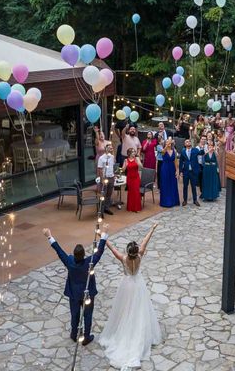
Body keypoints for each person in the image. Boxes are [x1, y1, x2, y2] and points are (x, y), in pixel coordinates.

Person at [100, 223, 162, 368]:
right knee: (140, 309)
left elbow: (111, 248)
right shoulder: (139, 257)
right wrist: (152, 228)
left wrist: (103, 236)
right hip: (138, 285)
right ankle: (138, 332)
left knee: (124, 309)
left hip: (127, 286)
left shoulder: (123, 259)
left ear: (128, 251)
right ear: (136, 251)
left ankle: (124, 330)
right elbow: (145, 241)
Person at [43, 224, 109, 345]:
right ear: (84, 254)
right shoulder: (89, 262)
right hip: (87, 294)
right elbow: (99, 252)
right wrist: (104, 233)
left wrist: (49, 236)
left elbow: (59, 251)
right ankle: (86, 336)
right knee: (87, 315)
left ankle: (74, 334)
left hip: (74, 293)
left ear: (74, 254)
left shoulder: (69, 261)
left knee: (75, 314)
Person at [179, 139, 204, 206]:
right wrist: (180, 171)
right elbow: (181, 162)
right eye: (186, 142)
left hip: (193, 172)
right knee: (185, 186)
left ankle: (195, 200)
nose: (188, 142)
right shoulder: (183, 151)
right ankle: (185, 200)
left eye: (189, 141)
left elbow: (201, 153)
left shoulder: (195, 150)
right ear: (185, 144)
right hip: (186, 171)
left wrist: (202, 147)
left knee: (193, 186)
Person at [159, 139, 180, 208]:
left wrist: (177, 171)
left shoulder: (174, 151)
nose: (169, 142)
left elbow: (175, 161)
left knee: (173, 184)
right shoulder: (163, 150)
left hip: (172, 168)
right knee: (165, 184)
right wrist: (167, 145)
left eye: (170, 142)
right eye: (167, 141)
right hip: (165, 169)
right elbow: (162, 152)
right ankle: (165, 201)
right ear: (165, 143)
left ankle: (173, 201)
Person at [97, 144, 115, 215]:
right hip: (105, 177)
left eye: (111, 147)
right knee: (103, 194)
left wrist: (114, 175)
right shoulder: (101, 158)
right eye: (109, 147)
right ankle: (101, 209)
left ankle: (106, 208)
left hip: (111, 177)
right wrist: (102, 179)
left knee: (109, 194)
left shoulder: (112, 157)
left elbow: (112, 166)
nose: (110, 148)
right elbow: (100, 169)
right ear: (105, 148)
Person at [122, 148, 143, 212]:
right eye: (133, 152)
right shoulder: (126, 160)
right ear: (129, 153)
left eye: (134, 152)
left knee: (136, 192)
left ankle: (137, 208)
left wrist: (138, 160)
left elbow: (141, 166)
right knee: (131, 193)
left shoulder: (136, 159)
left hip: (136, 178)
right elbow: (123, 170)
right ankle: (130, 207)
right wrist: (123, 166)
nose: (134, 153)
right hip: (129, 178)